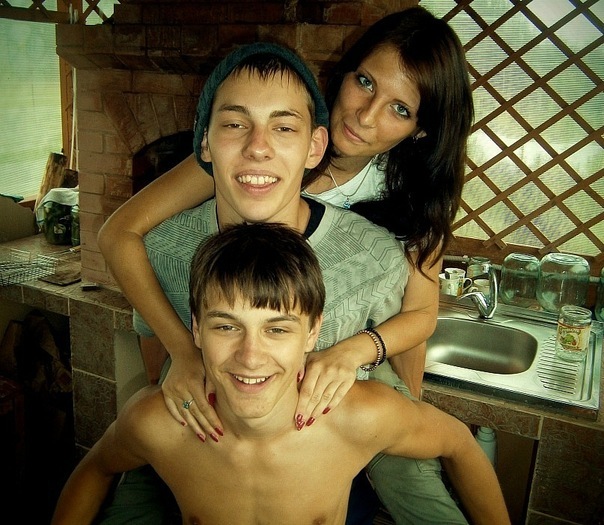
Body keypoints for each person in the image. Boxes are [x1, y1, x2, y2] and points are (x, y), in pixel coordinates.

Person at [97, 40, 471, 524]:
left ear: (420, 129)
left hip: (353, 372)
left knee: (418, 489)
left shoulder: (406, 206)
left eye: (400, 109)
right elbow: (123, 236)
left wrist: (370, 370)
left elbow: (418, 318)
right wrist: (183, 358)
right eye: (365, 83)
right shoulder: (249, 157)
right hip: (229, 397)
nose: (366, 116)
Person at [52, 222, 510, 525]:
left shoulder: (357, 417)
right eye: (227, 326)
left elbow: (459, 443)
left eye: (276, 329)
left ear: (312, 333)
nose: (250, 357)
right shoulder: (160, 424)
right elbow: (96, 470)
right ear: (195, 329)